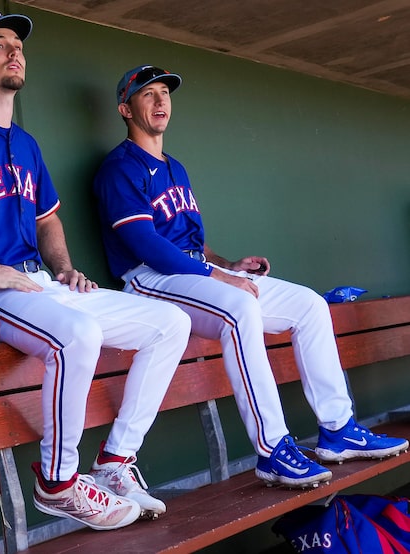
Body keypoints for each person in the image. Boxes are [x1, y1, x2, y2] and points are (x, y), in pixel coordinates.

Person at [0, 12, 193, 530]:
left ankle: (116, 462)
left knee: (171, 324)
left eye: (18, 45)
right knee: (78, 335)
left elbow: (48, 216)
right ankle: (58, 482)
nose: (14, 52)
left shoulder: (25, 144)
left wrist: (67, 269)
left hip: (40, 283)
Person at [93, 64, 409, 489]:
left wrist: (227, 264)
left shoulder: (175, 168)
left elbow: (191, 241)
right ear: (125, 109)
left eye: (165, 93)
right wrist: (217, 277)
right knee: (241, 305)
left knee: (310, 305)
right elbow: (145, 243)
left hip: (196, 273)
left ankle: (338, 429)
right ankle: (273, 449)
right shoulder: (119, 167)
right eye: (147, 94)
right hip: (150, 278)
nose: (160, 100)